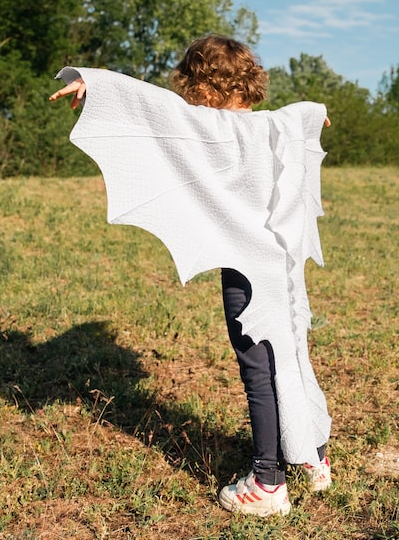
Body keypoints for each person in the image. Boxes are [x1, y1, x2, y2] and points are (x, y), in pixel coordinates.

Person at [50, 35, 332, 517]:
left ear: (197, 82)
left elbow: (149, 107)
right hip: (284, 269)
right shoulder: (277, 125)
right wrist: (315, 116)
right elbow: (310, 112)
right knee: (291, 355)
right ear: (249, 80)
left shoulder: (202, 126)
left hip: (246, 274)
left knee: (259, 372)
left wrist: (93, 85)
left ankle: (268, 482)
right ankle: (314, 457)